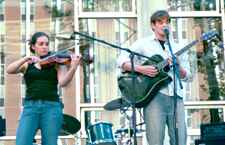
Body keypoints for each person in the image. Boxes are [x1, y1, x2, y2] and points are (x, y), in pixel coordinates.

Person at [118, 10, 192, 145]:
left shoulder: (177, 47)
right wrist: (142, 69)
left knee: (181, 139)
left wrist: (179, 67)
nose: (165, 25)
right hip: (154, 97)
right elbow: (121, 61)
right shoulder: (143, 44)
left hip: (177, 97)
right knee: (155, 140)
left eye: (167, 22)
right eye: (160, 22)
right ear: (153, 26)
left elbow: (188, 76)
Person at [6, 32, 81, 145]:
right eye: (41, 44)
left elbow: (63, 83)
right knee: (22, 142)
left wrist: (73, 67)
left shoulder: (56, 63)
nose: (44, 47)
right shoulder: (27, 64)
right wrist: (25, 58)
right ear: (33, 46)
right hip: (31, 107)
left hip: (51, 107)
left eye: (46, 44)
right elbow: (9, 70)